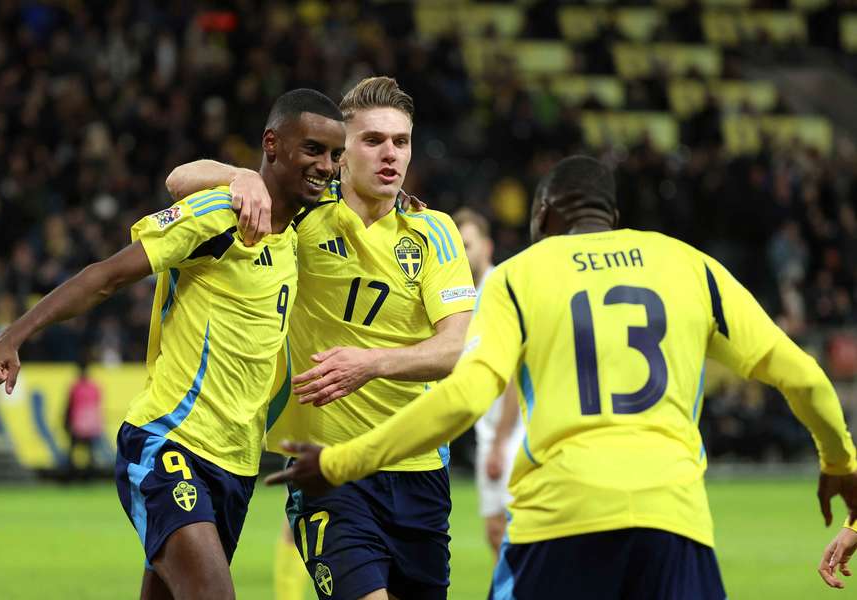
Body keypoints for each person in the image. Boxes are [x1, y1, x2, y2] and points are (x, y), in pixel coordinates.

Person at [267, 155, 857, 600]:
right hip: (674, 522)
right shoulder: (688, 264)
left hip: (559, 523)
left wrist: (341, 462)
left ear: (543, 216)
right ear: (614, 218)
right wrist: (840, 463)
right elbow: (802, 375)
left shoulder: (520, 275)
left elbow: (465, 395)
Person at [0, 88, 346, 600]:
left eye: (335, 155)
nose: (326, 166)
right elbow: (108, 275)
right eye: (312, 150)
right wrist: (12, 336)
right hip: (170, 440)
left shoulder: (308, 223)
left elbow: (368, 193)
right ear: (272, 143)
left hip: (238, 463)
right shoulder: (219, 214)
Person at [167, 76, 475, 600]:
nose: (390, 155)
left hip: (418, 469)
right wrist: (240, 175)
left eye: (401, 142)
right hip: (328, 469)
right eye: (372, 140)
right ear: (341, 151)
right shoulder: (301, 210)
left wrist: (369, 364)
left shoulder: (435, 231)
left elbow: (455, 349)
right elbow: (179, 180)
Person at [453, 207, 524, 558]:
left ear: (488, 248)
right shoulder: (459, 298)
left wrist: (499, 441)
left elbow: (513, 372)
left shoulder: (498, 293)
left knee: (515, 531)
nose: (461, 255)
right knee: (497, 532)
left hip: (513, 430)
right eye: (456, 247)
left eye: (467, 245)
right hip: (489, 427)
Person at [64, 357, 104, 480]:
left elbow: (69, 406)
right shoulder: (94, 387)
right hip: (91, 424)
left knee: (73, 451)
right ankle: (89, 476)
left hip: (78, 423)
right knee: (90, 453)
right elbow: (97, 406)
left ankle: (73, 476)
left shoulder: (75, 387)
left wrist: (66, 421)